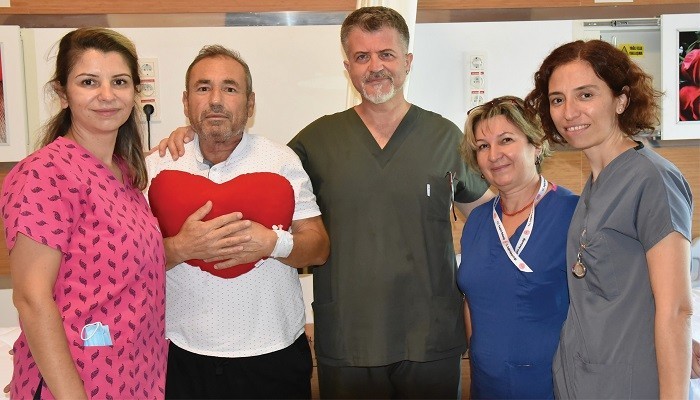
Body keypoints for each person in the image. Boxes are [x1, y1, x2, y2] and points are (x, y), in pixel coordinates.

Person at [158, 6, 492, 398]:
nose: (375, 67)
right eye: (362, 56)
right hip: (349, 340)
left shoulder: (445, 137)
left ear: (408, 61)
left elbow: (489, 219)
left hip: (430, 337)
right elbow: (249, 167)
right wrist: (192, 135)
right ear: (348, 67)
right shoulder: (314, 143)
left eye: (386, 54)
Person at [145, 45, 329, 399]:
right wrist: (180, 248)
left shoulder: (281, 161)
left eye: (229, 88)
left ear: (250, 103)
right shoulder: (158, 165)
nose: (215, 100)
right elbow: (130, 262)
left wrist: (273, 244)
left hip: (274, 355)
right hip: (183, 354)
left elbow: (318, 247)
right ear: (185, 101)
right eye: (203, 88)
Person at [0, 27, 167, 399]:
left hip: (134, 376)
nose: (107, 95)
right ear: (62, 93)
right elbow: (31, 299)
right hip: (75, 383)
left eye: (119, 82)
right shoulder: (44, 174)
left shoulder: (125, 174)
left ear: (135, 92)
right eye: (89, 82)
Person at [525, 39, 694, 399]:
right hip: (583, 379)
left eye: (585, 95)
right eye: (557, 99)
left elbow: (676, 309)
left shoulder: (652, 179)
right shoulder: (595, 182)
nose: (569, 112)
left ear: (621, 100)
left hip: (628, 382)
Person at [457, 95, 578, 399]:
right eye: (483, 146)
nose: (493, 155)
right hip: (486, 384)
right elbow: (472, 301)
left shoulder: (573, 214)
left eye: (506, 140)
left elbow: (614, 296)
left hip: (552, 384)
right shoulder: (477, 222)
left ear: (536, 145)